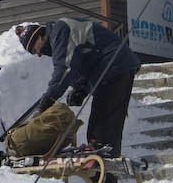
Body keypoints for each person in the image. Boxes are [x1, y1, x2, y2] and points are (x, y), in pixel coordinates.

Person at [15, 19, 140, 154]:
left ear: (39, 37)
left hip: (114, 65)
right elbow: (80, 63)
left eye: (34, 49)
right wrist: (81, 89)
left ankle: (106, 158)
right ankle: (104, 155)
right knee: (100, 124)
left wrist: (48, 100)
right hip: (109, 68)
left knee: (102, 127)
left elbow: (65, 68)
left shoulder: (60, 30)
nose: (38, 54)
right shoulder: (59, 35)